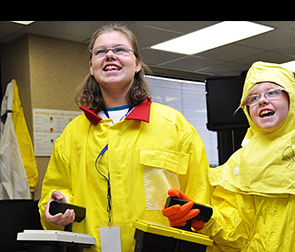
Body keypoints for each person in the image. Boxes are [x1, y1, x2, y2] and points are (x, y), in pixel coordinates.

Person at [38, 24, 211, 252]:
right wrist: (55, 206)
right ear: (92, 67)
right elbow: (54, 193)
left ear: (137, 64)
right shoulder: (72, 133)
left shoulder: (175, 125)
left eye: (120, 50)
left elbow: (200, 201)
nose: (110, 55)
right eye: (100, 52)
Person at [163, 61, 295, 251]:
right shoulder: (238, 166)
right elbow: (236, 234)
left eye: (272, 92)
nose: (261, 100)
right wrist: (205, 218)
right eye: (252, 98)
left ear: (293, 99)